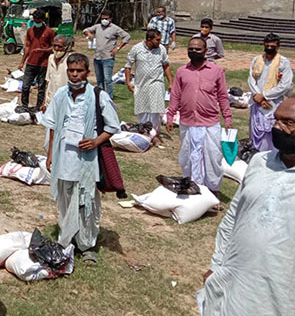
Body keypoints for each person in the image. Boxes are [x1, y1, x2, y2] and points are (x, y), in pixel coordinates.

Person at [197, 97, 295, 316]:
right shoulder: (260, 162)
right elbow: (233, 216)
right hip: (239, 278)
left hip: (281, 290)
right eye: (276, 120)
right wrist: (217, 263)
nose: (277, 127)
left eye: (287, 123)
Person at [44, 53, 120, 264]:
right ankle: (66, 241)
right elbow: (52, 126)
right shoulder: (61, 95)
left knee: (87, 200)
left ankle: (87, 245)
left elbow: (113, 126)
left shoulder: (98, 96)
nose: (75, 75)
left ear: (87, 72)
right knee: (66, 198)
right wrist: (51, 155)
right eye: (71, 71)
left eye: (79, 71)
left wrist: (95, 141)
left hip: (87, 159)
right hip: (64, 157)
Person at [166, 37, 231, 206]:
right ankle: (194, 187)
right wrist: (170, 115)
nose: (193, 52)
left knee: (212, 157)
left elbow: (223, 96)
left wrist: (228, 117)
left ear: (206, 51)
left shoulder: (216, 71)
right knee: (189, 157)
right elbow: (175, 95)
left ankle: (212, 190)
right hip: (188, 122)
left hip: (209, 122)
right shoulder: (181, 72)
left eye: (198, 49)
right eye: (191, 49)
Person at [247, 33, 293, 151]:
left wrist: (265, 96)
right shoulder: (257, 60)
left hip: (274, 105)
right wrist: (258, 96)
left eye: (272, 46)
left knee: (272, 134)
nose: (269, 48)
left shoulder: (284, 63)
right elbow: (251, 80)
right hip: (257, 103)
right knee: (256, 133)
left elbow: (285, 85)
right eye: (267, 46)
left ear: (278, 46)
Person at [125, 30, 173, 135]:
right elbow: (128, 65)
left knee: (155, 109)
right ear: (149, 40)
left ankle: (154, 133)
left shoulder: (162, 49)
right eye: (158, 40)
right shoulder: (137, 49)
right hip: (141, 84)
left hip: (157, 82)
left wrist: (170, 82)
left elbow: (166, 66)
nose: (160, 42)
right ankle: (143, 129)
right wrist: (128, 82)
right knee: (142, 108)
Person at [83, 10, 131, 99]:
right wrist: (88, 34)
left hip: (108, 58)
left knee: (108, 79)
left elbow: (127, 36)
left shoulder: (115, 28)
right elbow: (86, 30)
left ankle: (109, 97)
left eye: (106, 18)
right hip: (97, 57)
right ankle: (100, 96)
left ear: (110, 19)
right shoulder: (97, 27)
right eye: (102, 18)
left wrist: (117, 48)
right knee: (99, 79)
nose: (104, 20)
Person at [18, 8, 54, 112]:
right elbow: (27, 47)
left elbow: (53, 47)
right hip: (31, 62)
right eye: (35, 21)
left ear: (42, 20)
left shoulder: (49, 32)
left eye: (38, 21)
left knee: (41, 86)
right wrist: (22, 62)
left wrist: (43, 50)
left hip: (43, 63)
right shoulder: (30, 31)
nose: (36, 23)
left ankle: (38, 107)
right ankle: (25, 105)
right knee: (25, 86)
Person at [44, 34, 72, 107]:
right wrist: (44, 102)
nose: (56, 48)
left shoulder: (70, 60)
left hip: (65, 101)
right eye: (54, 45)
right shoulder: (51, 58)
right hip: (51, 100)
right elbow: (48, 81)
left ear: (66, 47)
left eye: (60, 46)